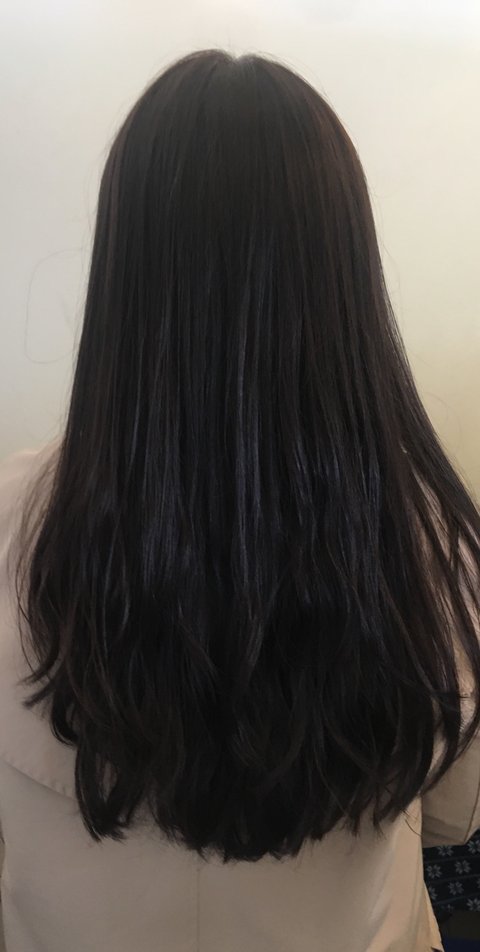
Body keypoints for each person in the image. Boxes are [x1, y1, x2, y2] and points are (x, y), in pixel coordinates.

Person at [0, 49, 479, 952]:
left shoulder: (10, 522)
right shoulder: (431, 541)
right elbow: (454, 819)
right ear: (342, 279)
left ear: (124, 277)